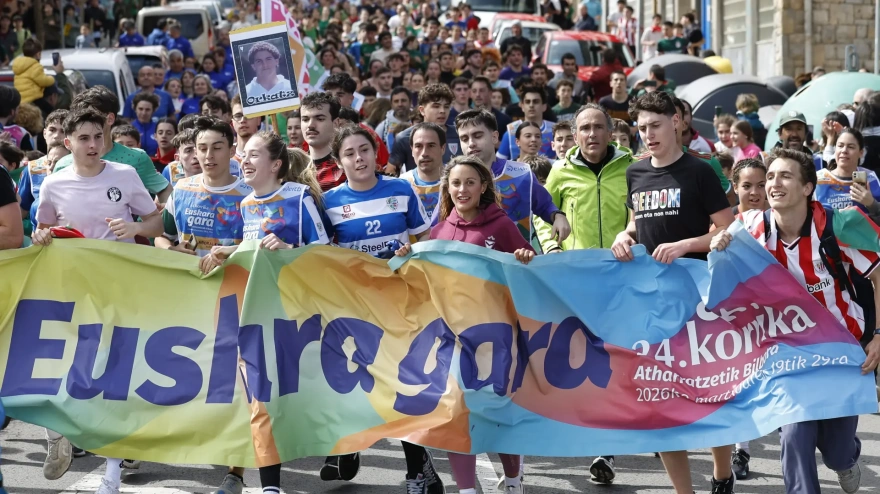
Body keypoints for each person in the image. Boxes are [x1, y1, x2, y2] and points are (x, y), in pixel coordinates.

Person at [710, 147, 880, 494]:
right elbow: (718, 258)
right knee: (795, 434)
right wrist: (717, 242)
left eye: (784, 175)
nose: (773, 183)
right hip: (784, 352)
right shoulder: (749, 225)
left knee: (836, 450)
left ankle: (846, 459)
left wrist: (879, 334)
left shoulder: (841, 223)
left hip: (840, 348)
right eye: (770, 176)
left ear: (807, 188)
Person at [33, 107, 164, 494]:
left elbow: (156, 222)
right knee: (70, 369)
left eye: (97, 137)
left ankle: (111, 473)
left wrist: (137, 226)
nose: (93, 145)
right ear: (67, 142)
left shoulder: (124, 175)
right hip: (71, 289)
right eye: (84, 139)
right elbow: (44, 229)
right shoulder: (54, 183)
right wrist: (41, 237)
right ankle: (58, 432)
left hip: (119, 288)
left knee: (113, 377)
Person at [611, 90, 735, 494]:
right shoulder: (635, 172)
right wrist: (623, 236)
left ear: (676, 122)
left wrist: (685, 245)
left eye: (656, 125)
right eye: (642, 128)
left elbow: (727, 229)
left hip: (701, 300)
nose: (648, 134)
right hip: (652, 302)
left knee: (709, 396)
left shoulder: (699, 172)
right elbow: (636, 223)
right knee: (658, 401)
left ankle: (721, 474)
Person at [321, 125, 444, 494]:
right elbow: (323, 255)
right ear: (339, 161)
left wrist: (411, 257)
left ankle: (418, 470)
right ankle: (350, 448)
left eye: (364, 150)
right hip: (353, 306)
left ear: (377, 154)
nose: (358, 158)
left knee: (398, 384)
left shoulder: (401, 189)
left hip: (399, 301)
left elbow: (424, 240)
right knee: (354, 383)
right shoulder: (328, 202)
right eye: (349, 153)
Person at [456, 108, 570, 243]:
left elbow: (545, 206)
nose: (471, 143)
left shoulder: (522, 173)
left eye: (478, 135)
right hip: (474, 259)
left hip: (520, 258)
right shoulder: (453, 180)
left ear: (494, 137)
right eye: (464, 138)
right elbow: (438, 225)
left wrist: (558, 216)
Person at [54, 87, 172, 204]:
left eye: (91, 116)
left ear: (110, 118)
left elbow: (164, 190)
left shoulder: (136, 158)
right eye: (80, 118)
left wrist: (149, 220)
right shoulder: (63, 165)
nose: (86, 122)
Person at [388, 83, 460, 175]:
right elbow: (391, 174)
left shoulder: (460, 134)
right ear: (422, 110)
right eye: (436, 106)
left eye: (446, 107)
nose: (442, 111)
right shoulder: (404, 138)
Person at [18, 109, 68, 232]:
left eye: (63, 131)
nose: (57, 136)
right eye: (52, 130)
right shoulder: (32, 168)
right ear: (44, 133)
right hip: (41, 240)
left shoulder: (81, 166)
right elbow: (21, 211)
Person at [815, 128, 880, 215]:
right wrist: (835, 215)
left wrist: (871, 203)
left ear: (861, 152)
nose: (844, 151)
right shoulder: (819, 179)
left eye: (850, 147)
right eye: (840, 146)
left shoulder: (871, 178)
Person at [301, 92, 346, 192]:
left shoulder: (348, 165)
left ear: (336, 123)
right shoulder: (294, 167)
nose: (310, 125)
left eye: (320, 119)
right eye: (305, 119)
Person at [498, 84, 555, 161]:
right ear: (522, 106)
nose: (531, 105)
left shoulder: (555, 131)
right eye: (527, 102)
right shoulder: (510, 132)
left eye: (536, 102)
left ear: (544, 106)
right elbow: (497, 163)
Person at [401, 122, 444, 219]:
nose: (424, 153)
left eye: (431, 145)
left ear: (443, 148)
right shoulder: (403, 184)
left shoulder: (457, 180)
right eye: (418, 146)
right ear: (412, 150)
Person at [12, 38, 54, 104]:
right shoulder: (35, 66)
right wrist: (52, 78)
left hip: (20, 101)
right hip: (32, 100)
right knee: (49, 109)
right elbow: (43, 81)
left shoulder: (19, 66)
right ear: (38, 54)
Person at [231, 94, 261, 162]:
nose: (243, 120)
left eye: (249, 115)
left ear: (258, 119)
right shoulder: (226, 155)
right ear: (232, 122)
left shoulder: (269, 153)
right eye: (238, 116)